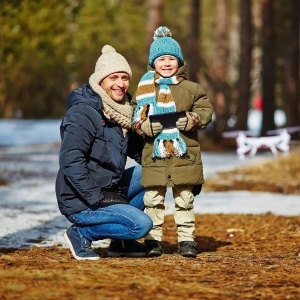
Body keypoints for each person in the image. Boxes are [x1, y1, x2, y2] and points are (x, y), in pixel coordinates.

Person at [56, 45, 153, 261]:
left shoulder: (124, 112)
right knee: (141, 225)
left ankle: (121, 243)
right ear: (100, 80)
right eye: (114, 78)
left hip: (110, 187)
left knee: (152, 175)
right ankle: (81, 233)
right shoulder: (83, 112)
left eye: (125, 78)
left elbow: (141, 153)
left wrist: (180, 173)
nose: (121, 84)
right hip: (81, 198)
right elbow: (70, 160)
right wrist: (97, 198)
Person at [131, 26, 214, 258]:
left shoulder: (191, 89)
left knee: (184, 200)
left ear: (179, 62)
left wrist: (193, 119)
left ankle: (186, 240)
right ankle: (153, 241)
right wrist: (143, 126)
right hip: (154, 155)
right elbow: (134, 114)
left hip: (183, 155)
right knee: (153, 201)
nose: (166, 64)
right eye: (161, 59)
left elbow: (206, 110)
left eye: (171, 59)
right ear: (153, 63)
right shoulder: (145, 89)